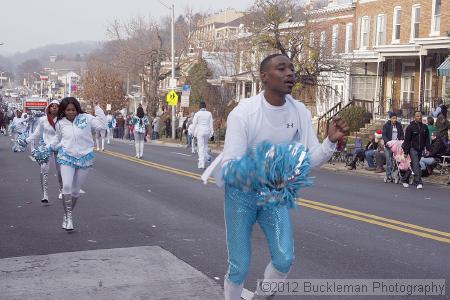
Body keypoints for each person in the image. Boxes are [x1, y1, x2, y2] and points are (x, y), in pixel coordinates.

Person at [202, 54, 349, 299]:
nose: (290, 73)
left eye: (292, 68)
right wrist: (264, 169)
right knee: (239, 266)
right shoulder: (244, 113)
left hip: (273, 194)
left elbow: (310, 160)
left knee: (284, 258)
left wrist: (329, 142)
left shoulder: (299, 111)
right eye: (282, 68)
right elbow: (229, 166)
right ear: (264, 77)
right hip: (241, 193)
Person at [49, 97, 107, 231]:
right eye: (68, 110)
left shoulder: (86, 118)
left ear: (77, 109)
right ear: (63, 111)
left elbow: (102, 125)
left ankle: (67, 213)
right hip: (67, 157)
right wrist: (48, 147)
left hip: (84, 157)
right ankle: (68, 217)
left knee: (75, 191)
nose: (70, 112)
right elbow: (58, 138)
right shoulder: (60, 123)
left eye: (73, 109)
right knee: (67, 186)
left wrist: (98, 108)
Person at [26, 100, 63, 203]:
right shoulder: (43, 120)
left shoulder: (62, 120)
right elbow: (37, 133)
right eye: (52, 106)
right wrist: (26, 140)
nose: (54, 108)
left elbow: (62, 135)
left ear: (59, 109)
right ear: (49, 108)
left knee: (60, 171)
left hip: (59, 147)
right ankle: (45, 194)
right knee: (44, 169)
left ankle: (62, 190)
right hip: (46, 148)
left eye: (56, 106)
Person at [402, 111, 430, 189]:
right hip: (412, 148)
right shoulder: (410, 127)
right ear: (414, 117)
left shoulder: (425, 127)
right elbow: (407, 140)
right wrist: (406, 152)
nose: (419, 117)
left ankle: (404, 179)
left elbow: (427, 139)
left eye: (420, 116)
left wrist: (428, 148)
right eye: (417, 116)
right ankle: (418, 182)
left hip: (420, 149)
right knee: (416, 165)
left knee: (413, 165)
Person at [382, 112, 404, 180]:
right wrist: (388, 142)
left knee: (398, 161)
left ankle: (396, 174)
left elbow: (401, 134)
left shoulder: (399, 125)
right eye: (393, 118)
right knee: (389, 161)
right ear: (390, 118)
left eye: (395, 118)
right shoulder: (386, 126)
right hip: (389, 146)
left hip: (397, 146)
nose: (394, 119)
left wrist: (401, 141)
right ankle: (388, 175)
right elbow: (384, 136)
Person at [192, 101, 214, 169]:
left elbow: (194, 124)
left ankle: (201, 163)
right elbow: (211, 124)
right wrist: (212, 133)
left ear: (200, 107)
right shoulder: (209, 113)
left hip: (200, 132)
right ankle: (207, 158)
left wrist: (193, 133)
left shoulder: (197, 114)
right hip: (207, 131)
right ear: (205, 106)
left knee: (200, 147)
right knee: (205, 146)